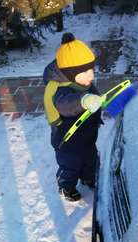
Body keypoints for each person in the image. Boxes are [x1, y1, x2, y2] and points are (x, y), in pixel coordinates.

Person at [43, 32, 102, 202]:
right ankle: (66, 187)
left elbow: (95, 99)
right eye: (85, 72)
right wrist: (84, 100)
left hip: (87, 136)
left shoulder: (84, 83)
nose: (90, 75)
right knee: (70, 167)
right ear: (70, 74)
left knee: (90, 160)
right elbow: (67, 105)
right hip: (67, 142)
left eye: (91, 70)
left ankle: (89, 177)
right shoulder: (61, 91)